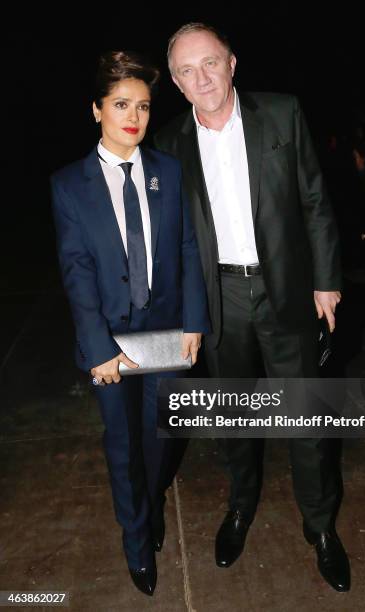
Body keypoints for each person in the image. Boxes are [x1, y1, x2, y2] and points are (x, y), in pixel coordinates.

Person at [155, 23, 349, 592]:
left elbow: (315, 199)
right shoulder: (169, 143)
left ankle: (320, 527)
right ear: (175, 82)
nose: (202, 78)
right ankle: (240, 507)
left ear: (232, 62)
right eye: (187, 70)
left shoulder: (282, 114)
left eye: (210, 63)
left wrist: (327, 280)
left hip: (287, 288)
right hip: (220, 299)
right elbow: (172, 241)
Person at [51, 51, 209, 597]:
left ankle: (150, 501)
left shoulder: (168, 170)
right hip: (110, 343)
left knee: (160, 440)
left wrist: (194, 320)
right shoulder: (69, 185)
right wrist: (98, 349)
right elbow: (76, 272)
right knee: (122, 445)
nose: (133, 116)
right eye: (121, 104)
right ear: (96, 109)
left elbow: (187, 247)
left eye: (142, 105)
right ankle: (138, 540)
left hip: (166, 335)